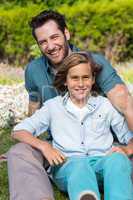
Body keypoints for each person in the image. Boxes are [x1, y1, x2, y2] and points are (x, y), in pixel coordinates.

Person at [7, 10, 133, 200]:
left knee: (118, 161)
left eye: (54, 37)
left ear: (66, 34)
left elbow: (127, 106)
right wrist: (38, 145)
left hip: (106, 144)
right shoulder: (34, 70)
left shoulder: (95, 64)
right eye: (43, 42)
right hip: (62, 146)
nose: (50, 46)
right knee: (19, 152)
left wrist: (129, 147)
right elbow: (33, 108)